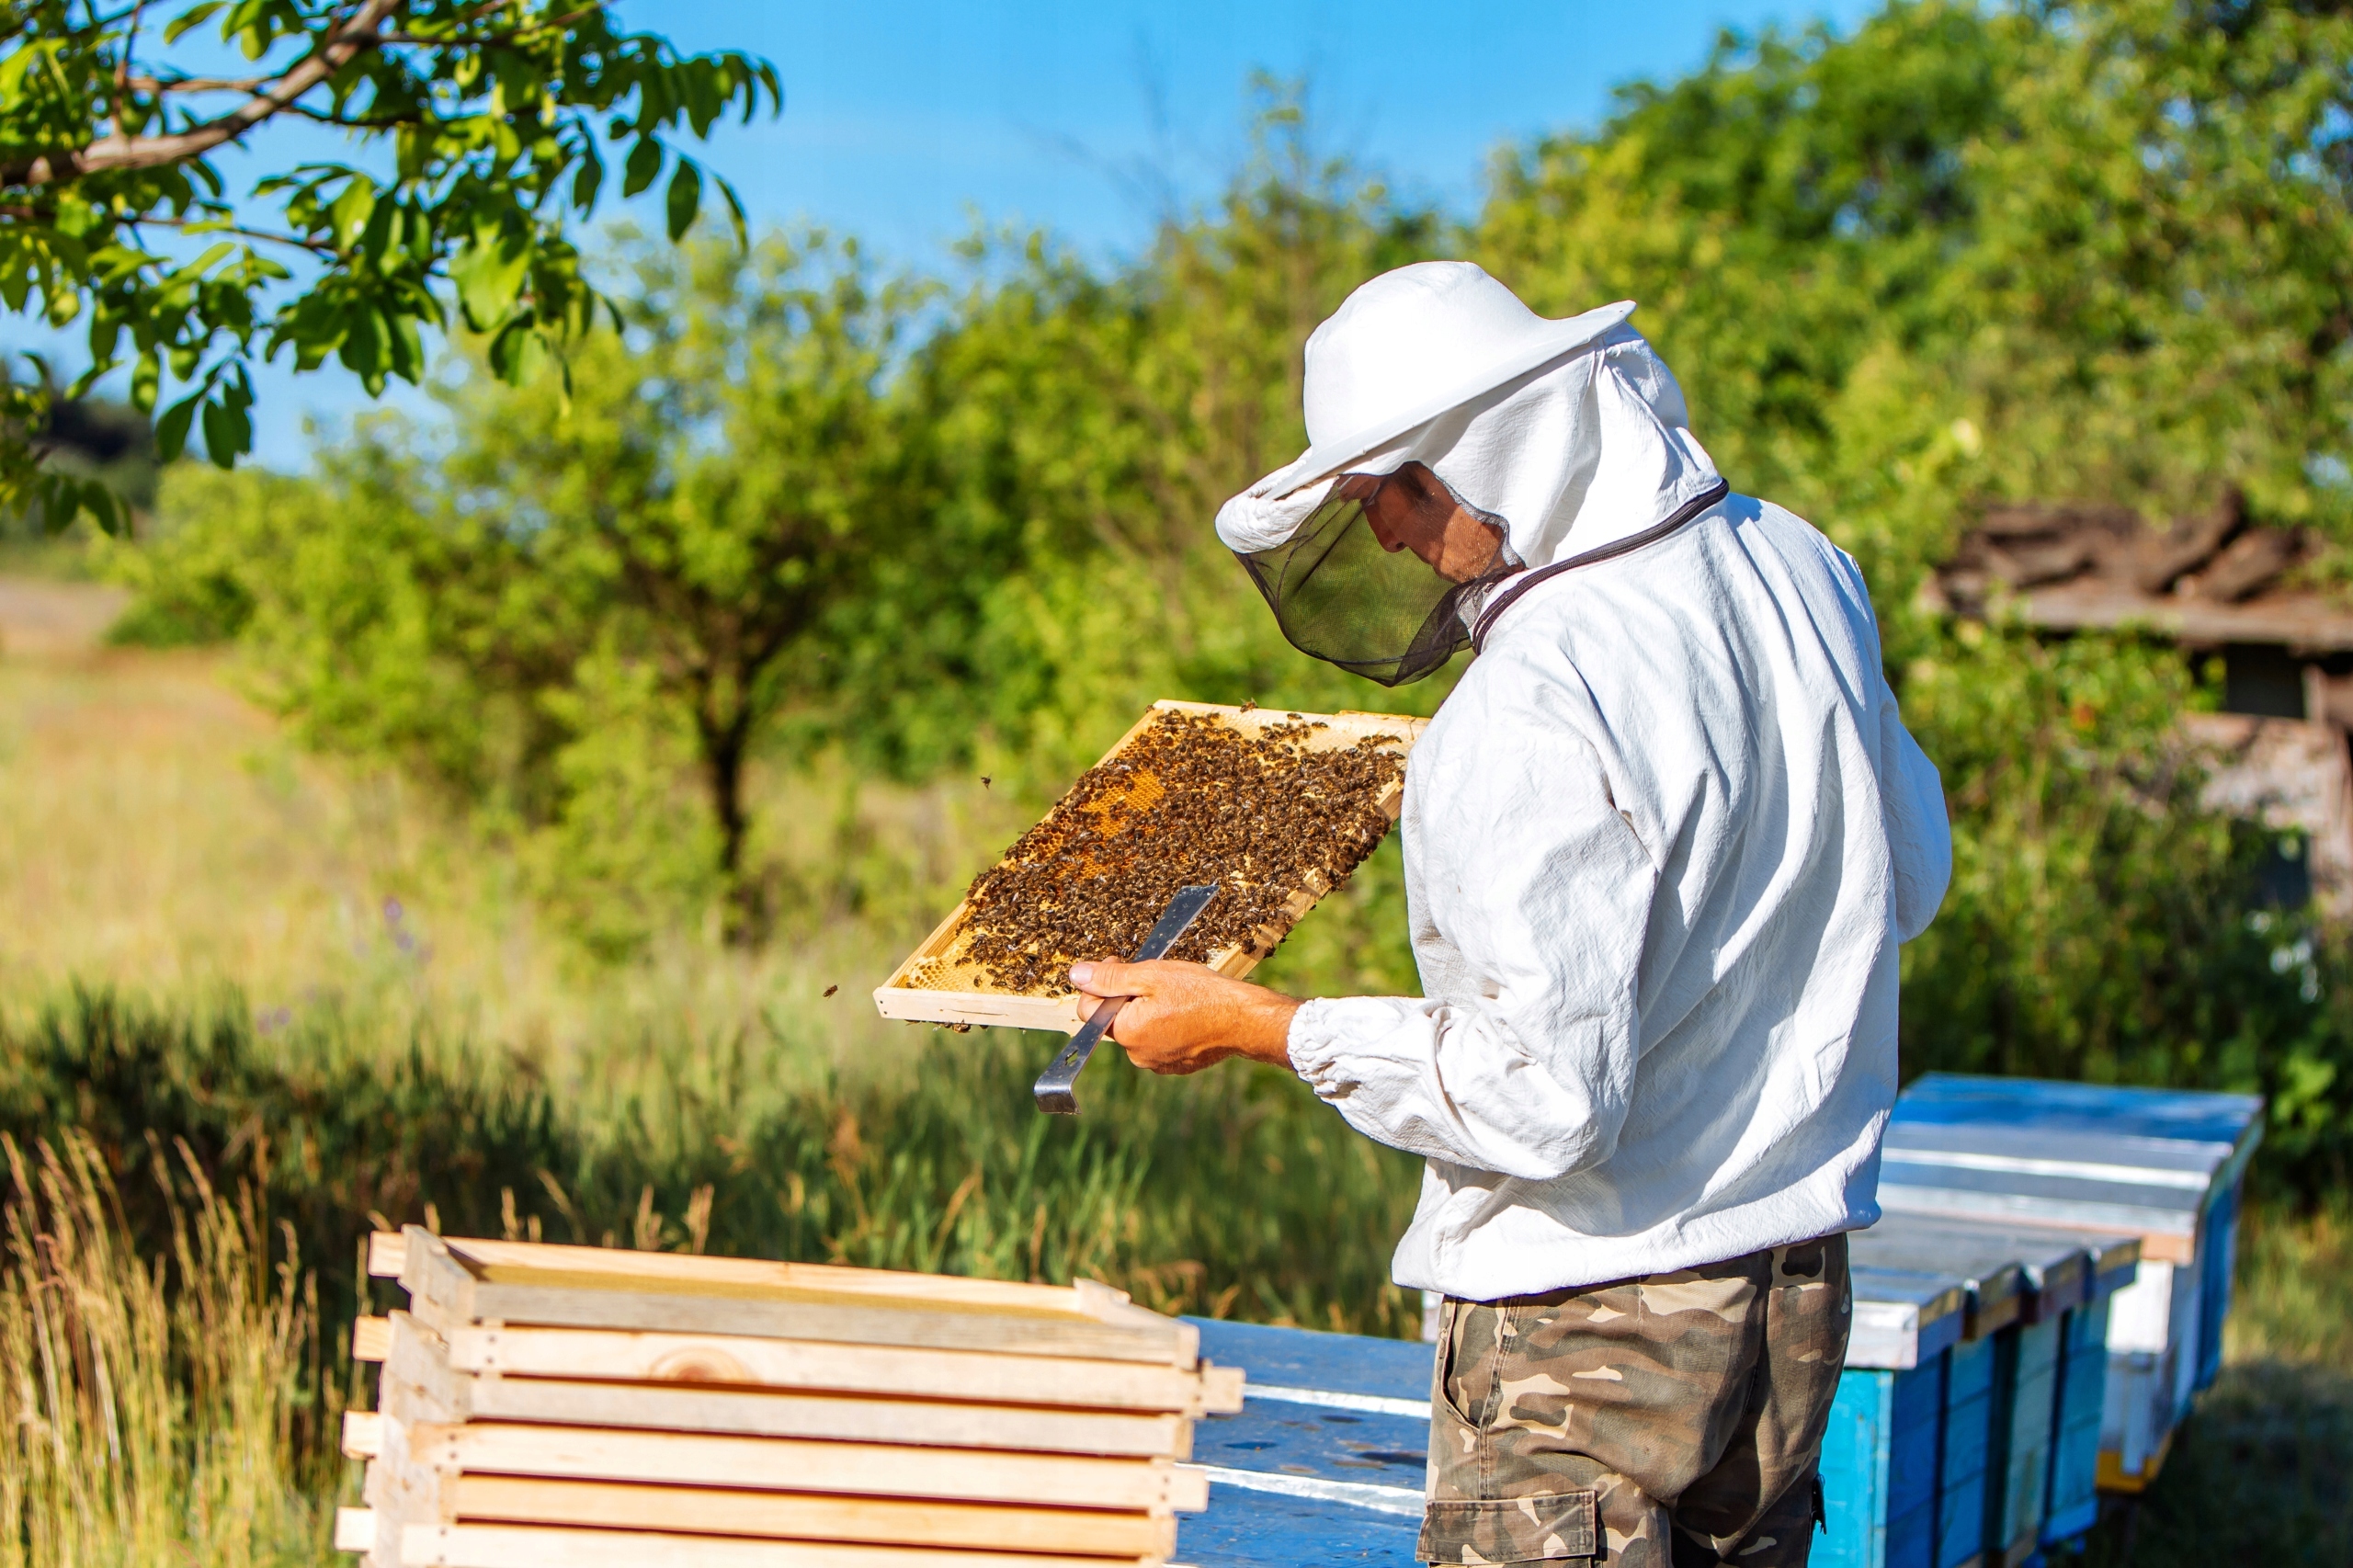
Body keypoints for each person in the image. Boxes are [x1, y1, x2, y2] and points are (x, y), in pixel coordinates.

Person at [1067, 261, 1952, 1568]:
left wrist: (1260, 1025)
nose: (1379, 539)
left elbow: (1543, 1100)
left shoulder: (1528, 697)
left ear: (1504, 451)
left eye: (1394, 493)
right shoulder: (1801, 565)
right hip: (1790, 1295)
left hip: (1588, 1321)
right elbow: (1909, 878)